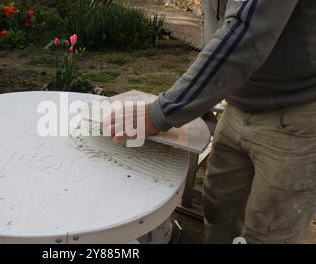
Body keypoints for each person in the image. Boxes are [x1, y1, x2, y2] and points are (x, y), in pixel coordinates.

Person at [108, 0, 316, 243]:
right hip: (239, 104)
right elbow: (220, 26)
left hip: (297, 114)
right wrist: (200, 93)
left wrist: (162, 112)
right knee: (219, 208)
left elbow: (245, 33)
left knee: (269, 230)